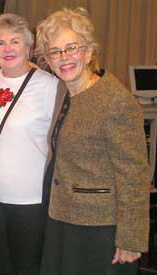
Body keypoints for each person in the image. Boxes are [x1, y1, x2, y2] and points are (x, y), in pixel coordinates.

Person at [35, 7, 150, 275]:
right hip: (62, 216)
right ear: (48, 60)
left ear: (88, 52)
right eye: (55, 51)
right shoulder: (64, 90)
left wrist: (130, 240)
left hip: (99, 227)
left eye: (72, 48)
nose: (64, 57)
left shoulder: (116, 101)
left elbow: (133, 176)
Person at [0, 14, 58, 275]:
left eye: (15, 41)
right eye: (0, 42)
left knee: (26, 268)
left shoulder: (49, 85)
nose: (7, 48)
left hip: (29, 200)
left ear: (28, 46)